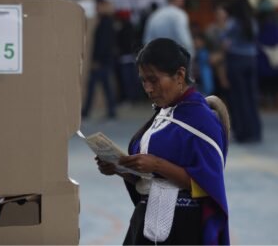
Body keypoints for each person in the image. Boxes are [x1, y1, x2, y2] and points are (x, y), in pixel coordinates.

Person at [95, 38, 230, 244]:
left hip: (183, 229)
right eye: (143, 81)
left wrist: (157, 164)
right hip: (146, 222)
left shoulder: (202, 121)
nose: (148, 88)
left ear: (179, 75)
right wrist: (120, 169)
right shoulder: (164, 113)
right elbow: (149, 179)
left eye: (154, 80)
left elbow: (208, 186)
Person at [221, 0, 262, 143]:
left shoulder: (233, 22)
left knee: (239, 98)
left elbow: (224, 42)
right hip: (251, 60)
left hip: (236, 60)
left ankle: (242, 133)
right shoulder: (252, 22)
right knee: (251, 97)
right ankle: (255, 131)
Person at [82, 0, 116, 119]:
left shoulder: (106, 22)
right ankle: (111, 111)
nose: (96, 9)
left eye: (98, 6)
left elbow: (103, 44)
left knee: (95, 87)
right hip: (103, 61)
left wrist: (97, 60)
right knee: (105, 87)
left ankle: (86, 111)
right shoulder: (104, 21)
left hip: (101, 62)